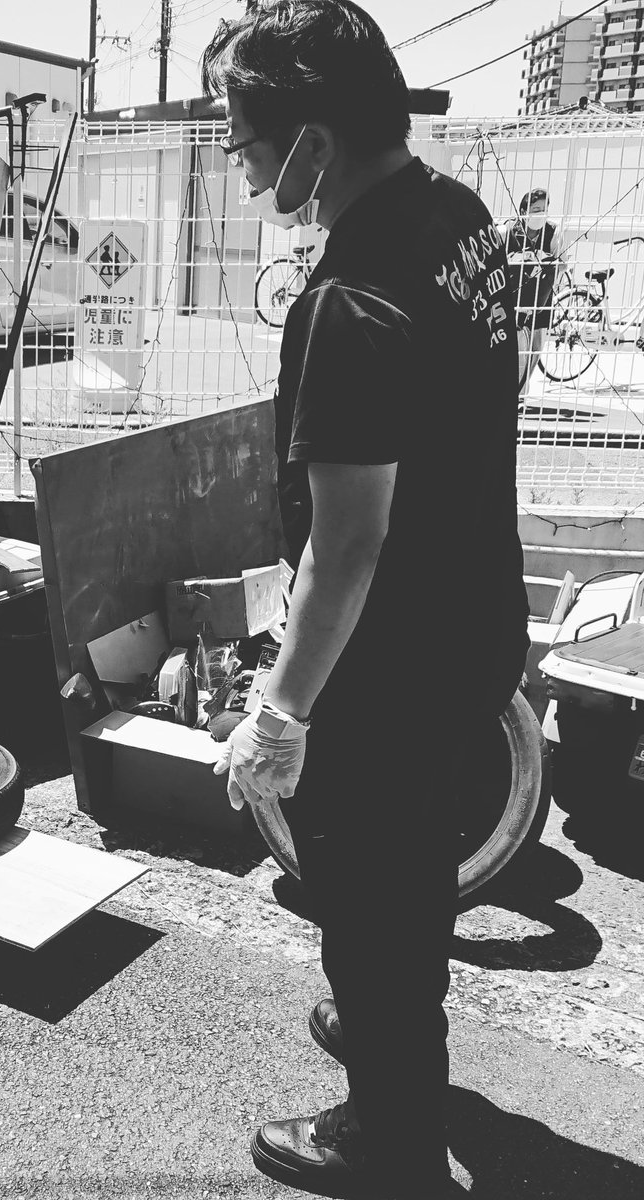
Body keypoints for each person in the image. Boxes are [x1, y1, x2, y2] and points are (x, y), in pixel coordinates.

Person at [204, 4, 527, 1197]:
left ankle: (389, 1129)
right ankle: (393, 1031)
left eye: (245, 140)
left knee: (370, 893)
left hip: (389, 671)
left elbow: (348, 544)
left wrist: (281, 712)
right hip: (475, 625)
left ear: (314, 143)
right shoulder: (461, 218)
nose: (241, 166)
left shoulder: (349, 302)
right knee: (416, 865)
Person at [503, 187, 565, 395]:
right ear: (524, 211)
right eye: (536, 209)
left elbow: (562, 263)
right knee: (511, 348)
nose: (541, 214)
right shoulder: (509, 230)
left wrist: (542, 261)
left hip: (540, 299)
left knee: (534, 349)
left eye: (544, 209)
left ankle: (520, 392)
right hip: (513, 300)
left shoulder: (553, 231)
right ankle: (509, 392)